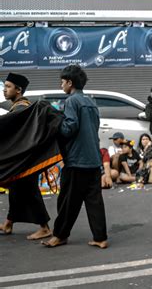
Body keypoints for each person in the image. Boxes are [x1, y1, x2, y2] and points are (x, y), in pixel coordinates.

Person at [42, 64, 108, 249]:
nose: (61, 85)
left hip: (76, 160)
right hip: (94, 160)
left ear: (70, 83)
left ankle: (59, 236)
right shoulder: (91, 103)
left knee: (67, 201)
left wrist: (56, 121)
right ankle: (100, 237)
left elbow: (69, 128)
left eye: (62, 82)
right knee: (94, 202)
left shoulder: (72, 101)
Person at [0, 73, 52, 240]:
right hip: (23, 160)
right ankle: (8, 224)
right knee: (16, 191)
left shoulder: (22, 109)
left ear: (19, 89)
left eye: (8, 87)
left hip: (25, 161)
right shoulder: (18, 107)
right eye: (4, 86)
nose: (4, 90)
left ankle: (44, 227)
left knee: (29, 192)